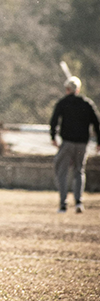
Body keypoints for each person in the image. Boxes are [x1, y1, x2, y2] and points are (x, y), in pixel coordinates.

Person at [50, 75, 100, 213]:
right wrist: (99, 141)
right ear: (78, 89)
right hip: (82, 144)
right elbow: (96, 123)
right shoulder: (87, 103)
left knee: (62, 170)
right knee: (79, 171)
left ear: (67, 89)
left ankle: (63, 203)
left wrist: (53, 136)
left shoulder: (63, 103)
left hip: (67, 143)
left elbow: (54, 120)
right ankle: (78, 202)